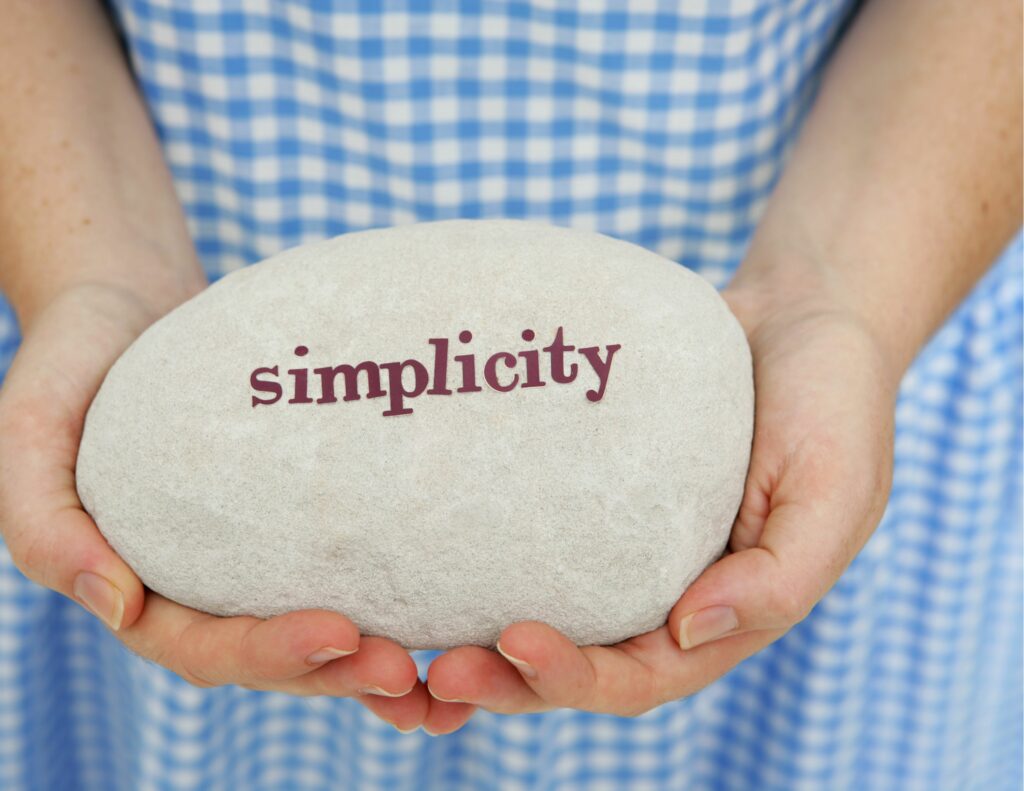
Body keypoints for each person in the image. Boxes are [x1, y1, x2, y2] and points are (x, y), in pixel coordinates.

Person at [0, 0, 1019, 788]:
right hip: (127, 255)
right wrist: (91, 275)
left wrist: (836, 297)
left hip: (839, 287)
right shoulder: (164, 399)